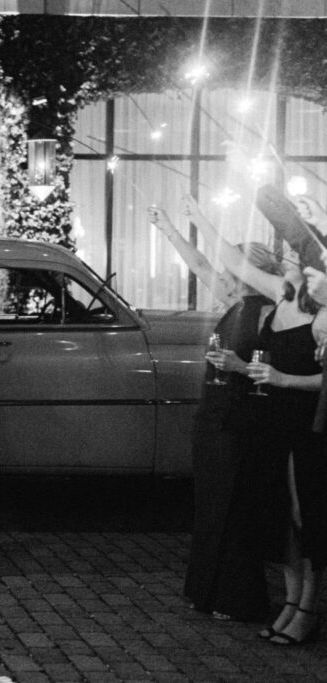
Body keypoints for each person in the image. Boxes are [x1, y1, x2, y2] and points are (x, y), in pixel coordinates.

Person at [187, 194, 327, 646]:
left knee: (308, 519)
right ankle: (289, 602)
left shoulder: (321, 315)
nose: (292, 266)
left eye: (301, 263)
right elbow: (233, 264)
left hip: (309, 426)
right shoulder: (282, 297)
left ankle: (308, 609)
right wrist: (199, 218)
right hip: (273, 422)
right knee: (282, 519)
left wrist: (283, 377)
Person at [150, 204, 280, 621]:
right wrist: (169, 226)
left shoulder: (266, 310)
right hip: (213, 413)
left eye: (233, 267)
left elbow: (260, 367)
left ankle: (238, 599)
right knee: (209, 505)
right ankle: (204, 591)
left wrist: (239, 367)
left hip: (241, 417)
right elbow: (201, 262)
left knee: (234, 506)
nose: (221, 274)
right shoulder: (234, 303)